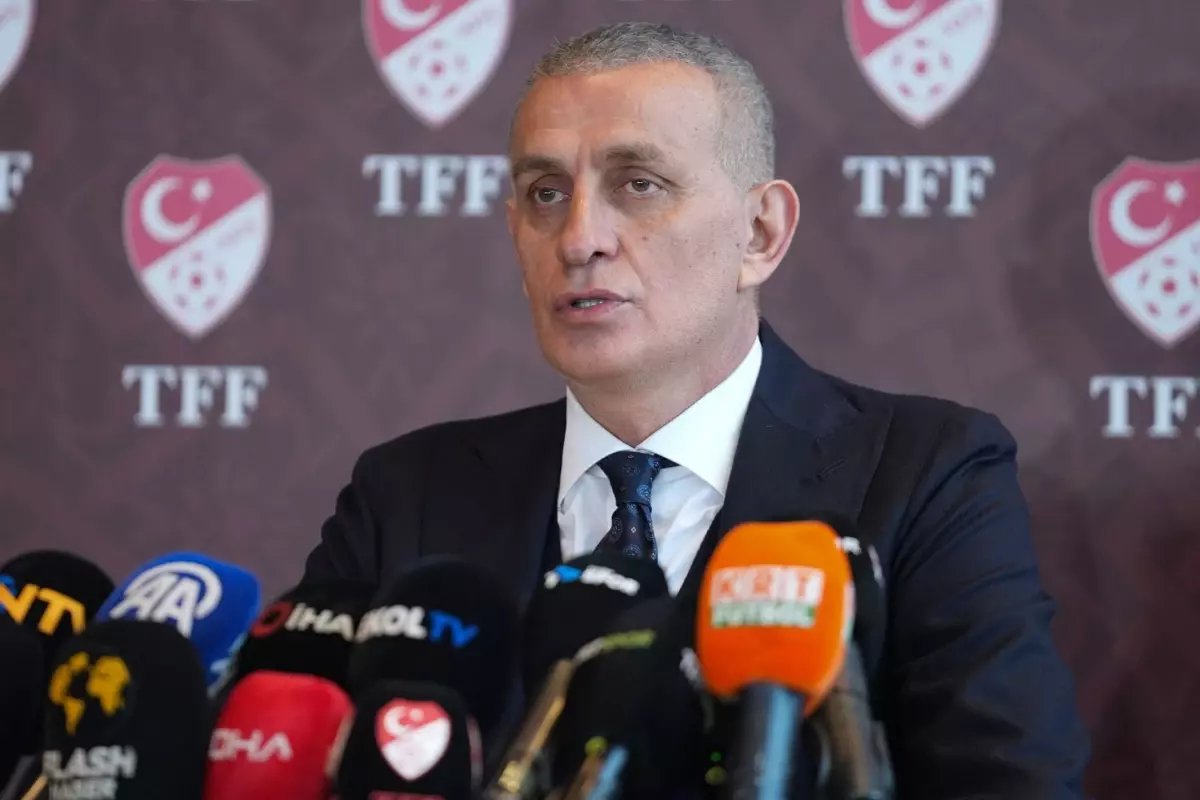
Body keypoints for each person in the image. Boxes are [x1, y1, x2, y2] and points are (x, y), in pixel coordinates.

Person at [305, 22, 1089, 798]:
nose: (579, 238)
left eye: (638, 184)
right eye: (546, 193)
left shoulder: (926, 477)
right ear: (516, 234)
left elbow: (1013, 782)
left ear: (761, 232)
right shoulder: (405, 497)